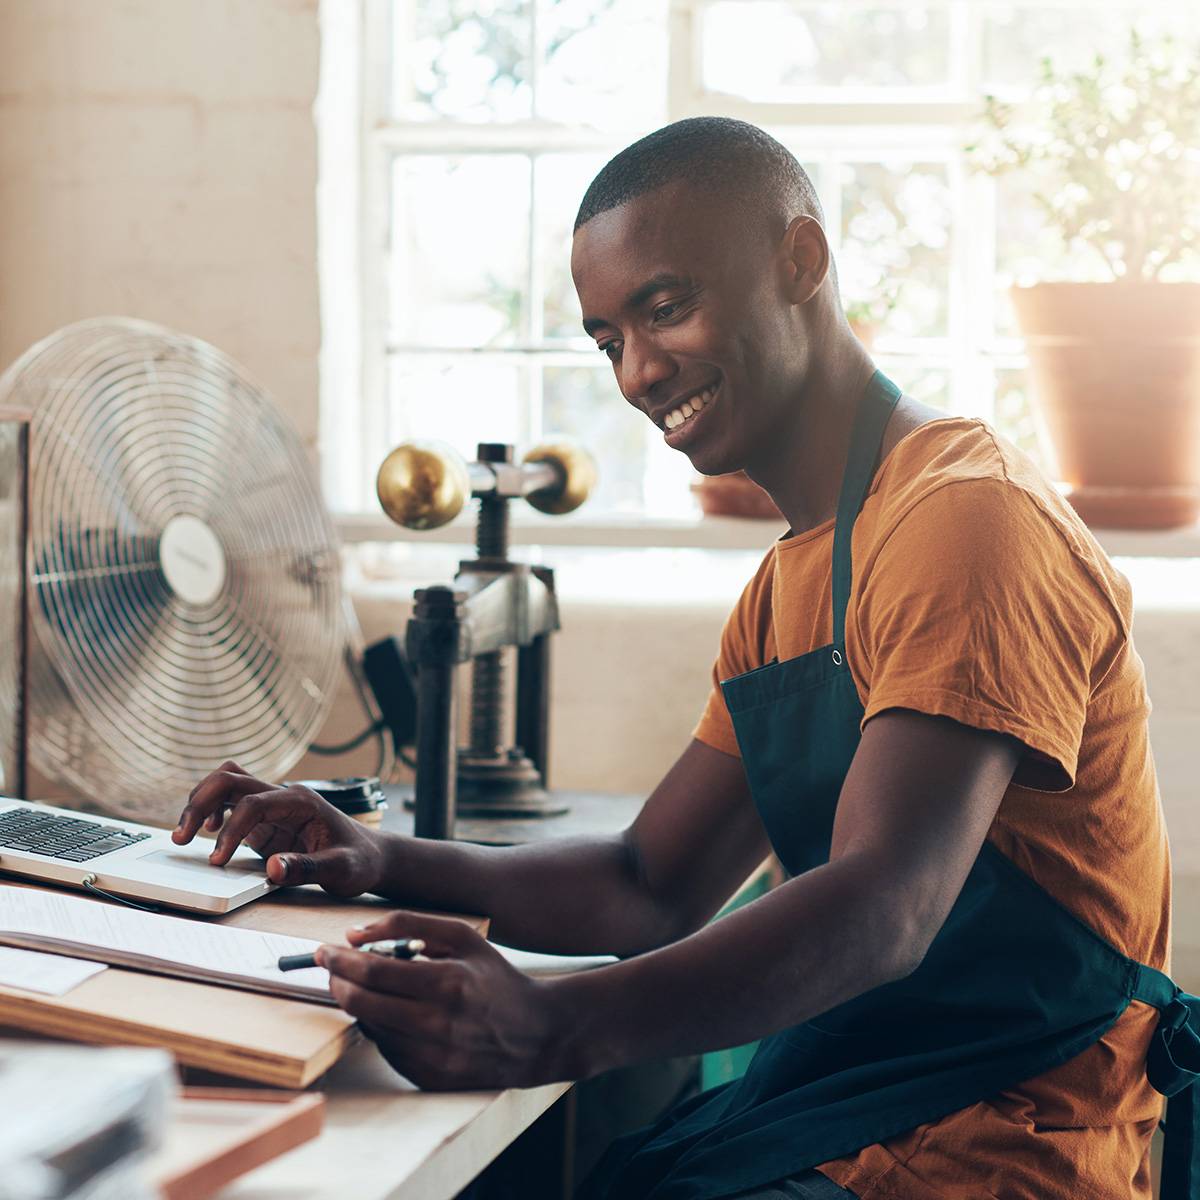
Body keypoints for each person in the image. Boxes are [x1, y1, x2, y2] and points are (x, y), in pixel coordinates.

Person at [173, 118, 1198, 1200]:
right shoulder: (788, 584)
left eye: (666, 309)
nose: (639, 372)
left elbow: (885, 910)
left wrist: (549, 1025)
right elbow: (650, 883)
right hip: (846, 1114)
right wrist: (377, 856)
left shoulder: (966, 517)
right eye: (607, 341)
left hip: (998, 1148)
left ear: (800, 261)